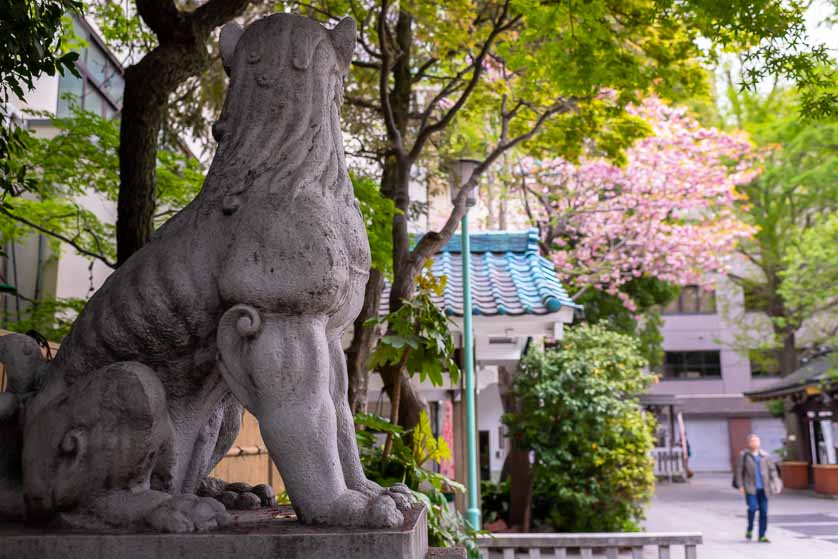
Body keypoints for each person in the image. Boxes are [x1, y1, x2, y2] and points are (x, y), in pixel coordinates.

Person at [735, 433, 781, 543]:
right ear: (748, 443)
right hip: (750, 487)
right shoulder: (744, 456)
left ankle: (762, 535)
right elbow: (739, 471)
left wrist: (776, 483)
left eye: (757, 441)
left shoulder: (765, 456)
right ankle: (750, 528)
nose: (755, 443)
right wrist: (740, 485)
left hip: (764, 489)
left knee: (764, 512)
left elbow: (773, 471)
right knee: (752, 507)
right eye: (753, 441)